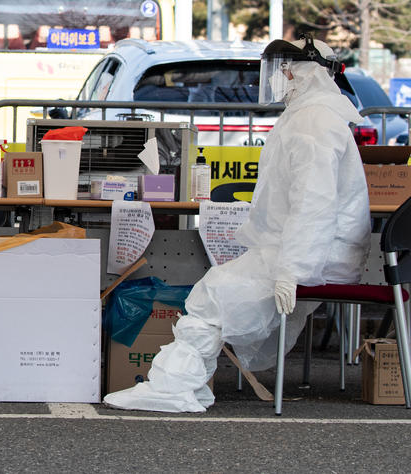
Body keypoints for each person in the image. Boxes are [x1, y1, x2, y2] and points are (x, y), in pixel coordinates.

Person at [103, 35, 371, 413]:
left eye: (286, 68)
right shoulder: (309, 115)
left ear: (304, 73)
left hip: (314, 254)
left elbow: (315, 204)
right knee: (214, 292)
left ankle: (173, 388)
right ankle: (183, 384)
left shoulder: (315, 122)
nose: (279, 76)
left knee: (213, 295)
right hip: (305, 249)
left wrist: (291, 271)